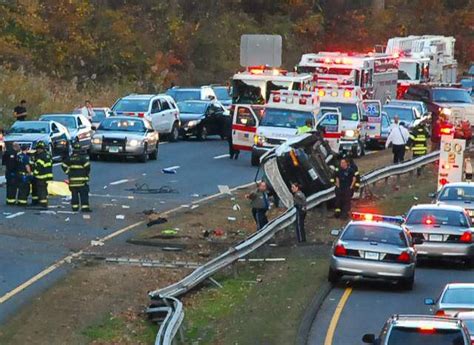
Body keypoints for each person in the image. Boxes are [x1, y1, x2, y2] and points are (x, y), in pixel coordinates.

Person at [62, 143, 91, 212]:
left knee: (74, 195)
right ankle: (85, 208)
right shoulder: (83, 158)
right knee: (84, 194)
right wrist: (85, 174)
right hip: (82, 181)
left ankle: (75, 207)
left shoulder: (70, 158)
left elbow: (63, 165)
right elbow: (88, 167)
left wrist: (68, 172)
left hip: (72, 181)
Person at [32, 141, 53, 209]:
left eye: (38, 148)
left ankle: (43, 204)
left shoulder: (41, 157)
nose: (37, 150)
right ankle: (43, 202)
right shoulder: (47, 155)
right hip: (47, 176)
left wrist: (34, 173)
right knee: (44, 189)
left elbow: (39, 167)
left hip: (41, 176)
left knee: (41, 190)